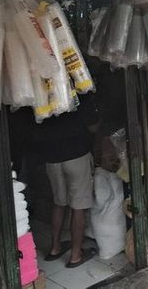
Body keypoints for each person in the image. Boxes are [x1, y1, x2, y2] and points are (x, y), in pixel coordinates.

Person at [36, 109, 96, 268]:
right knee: (79, 207)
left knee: (59, 203)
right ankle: (76, 255)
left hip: (52, 157)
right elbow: (92, 125)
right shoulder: (78, 87)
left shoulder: (41, 90)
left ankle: (55, 248)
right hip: (76, 154)